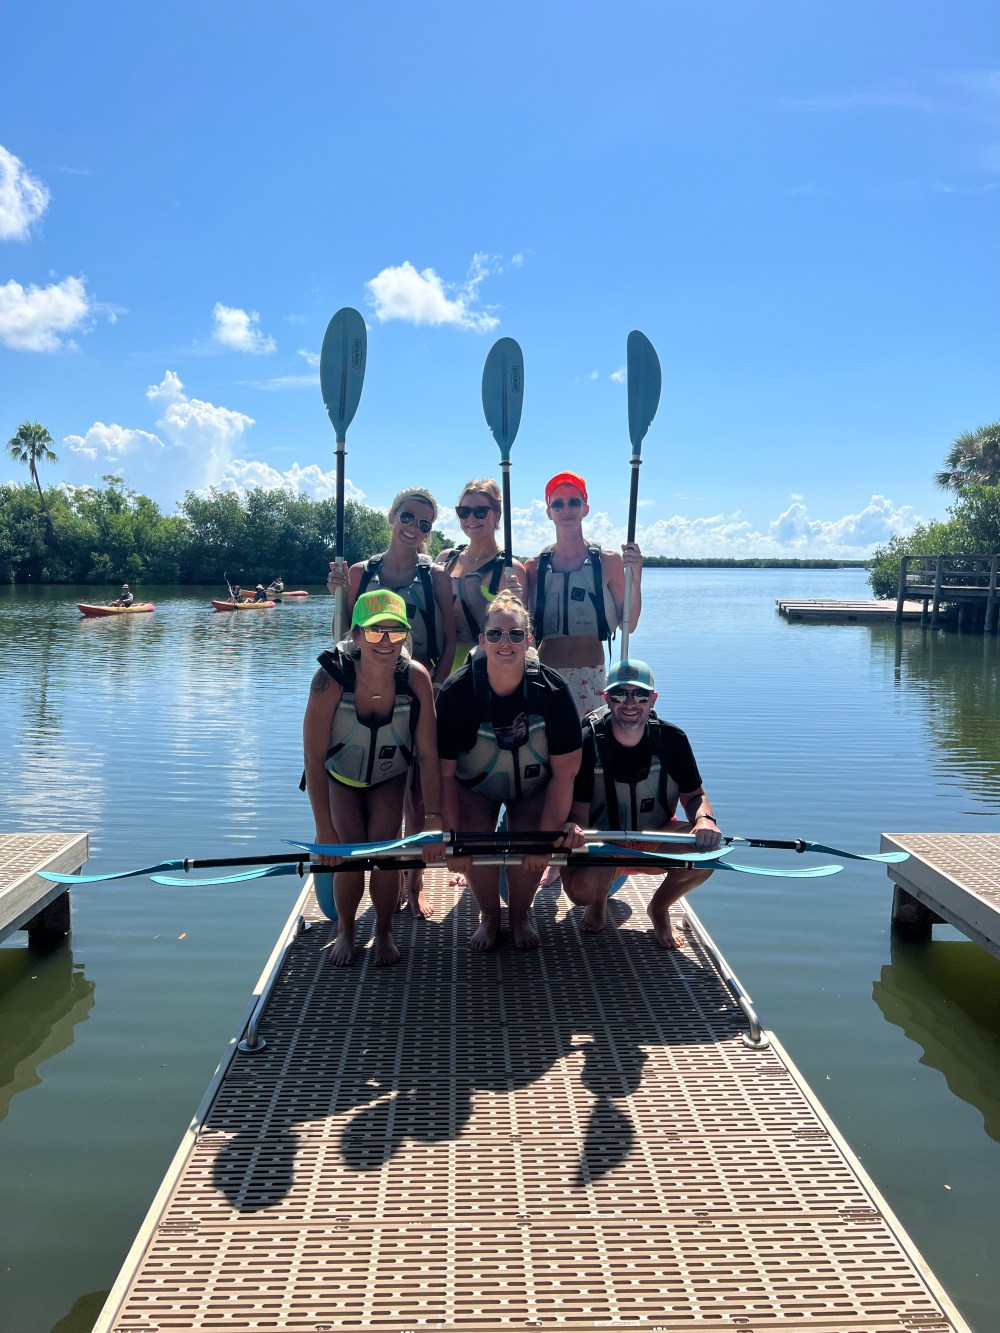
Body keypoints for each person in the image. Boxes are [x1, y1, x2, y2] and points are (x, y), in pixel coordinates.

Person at [327, 487, 456, 919]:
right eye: (408, 517)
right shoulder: (362, 573)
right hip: (369, 688)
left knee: (418, 794)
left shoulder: (435, 575)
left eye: (425, 524)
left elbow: (451, 637)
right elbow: (345, 634)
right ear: (391, 517)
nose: (415, 529)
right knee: (385, 783)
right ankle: (381, 874)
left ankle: (413, 881)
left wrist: (436, 684)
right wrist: (338, 595)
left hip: (418, 689)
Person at [435, 591, 582, 952]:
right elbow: (444, 776)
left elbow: (565, 775)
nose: (506, 642)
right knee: (472, 839)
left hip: (532, 787)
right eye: (496, 634)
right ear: (482, 640)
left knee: (531, 840)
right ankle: (489, 915)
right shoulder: (456, 693)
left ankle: (519, 915)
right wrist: (453, 840)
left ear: (529, 640)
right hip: (474, 787)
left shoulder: (554, 691)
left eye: (516, 634)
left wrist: (545, 841)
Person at [302, 589, 442, 967]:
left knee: (385, 851)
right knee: (349, 852)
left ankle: (383, 931)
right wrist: (323, 828)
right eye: (376, 631)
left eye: (396, 633)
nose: (386, 642)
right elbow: (313, 760)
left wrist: (433, 820)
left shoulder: (416, 679)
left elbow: (428, 754)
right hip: (340, 777)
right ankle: (346, 931)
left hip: (389, 777)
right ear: (356, 634)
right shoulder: (330, 678)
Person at [560, 659, 722, 949]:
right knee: (580, 888)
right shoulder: (587, 743)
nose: (630, 702)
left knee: (707, 854)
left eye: (640, 695)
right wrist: (574, 832)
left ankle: (659, 908)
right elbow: (579, 813)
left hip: (655, 840)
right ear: (607, 698)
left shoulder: (673, 739)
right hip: (604, 845)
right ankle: (597, 899)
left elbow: (694, 796)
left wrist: (704, 820)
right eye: (620, 694)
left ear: (653, 699)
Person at [525, 471, 643, 719]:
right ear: (549, 512)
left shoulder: (608, 561)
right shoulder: (534, 566)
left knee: (590, 749)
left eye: (573, 502)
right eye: (557, 503)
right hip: (545, 673)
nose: (565, 509)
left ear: (585, 508)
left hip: (592, 674)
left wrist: (636, 575)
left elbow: (628, 624)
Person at [434, 478, 527, 672]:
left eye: (480, 512)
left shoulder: (511, 569)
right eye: (464, 512)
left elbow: (522, 637)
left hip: (487, 669)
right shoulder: (445, 560)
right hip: (441, 665)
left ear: (498, 515)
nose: (471, 519)